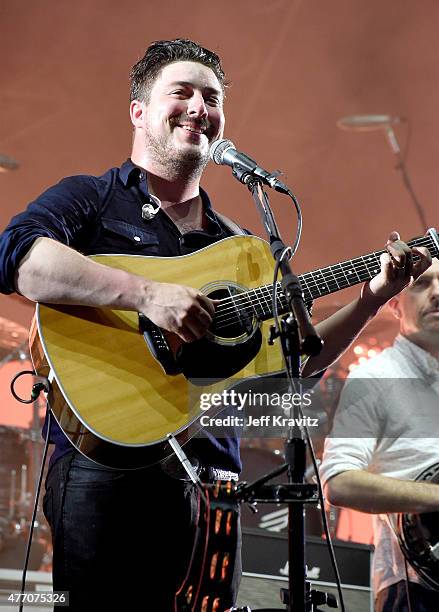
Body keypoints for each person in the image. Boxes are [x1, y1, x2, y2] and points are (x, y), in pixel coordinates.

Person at [0, 38, 432, 611]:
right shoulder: (93, 200)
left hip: (210, 483)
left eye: (212, 96)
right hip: (103, 468)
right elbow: (20, 259)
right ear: (139, 111)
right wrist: (146, 294)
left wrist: (372, 300)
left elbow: (296, 360)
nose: (198, 107)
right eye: (181, 93)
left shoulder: (245, 250)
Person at [321, 258, 439, 611]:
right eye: (421, 284)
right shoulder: (374, 376)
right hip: (416, 589)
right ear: (394, 302)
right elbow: (339, 483)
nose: (436, 295)